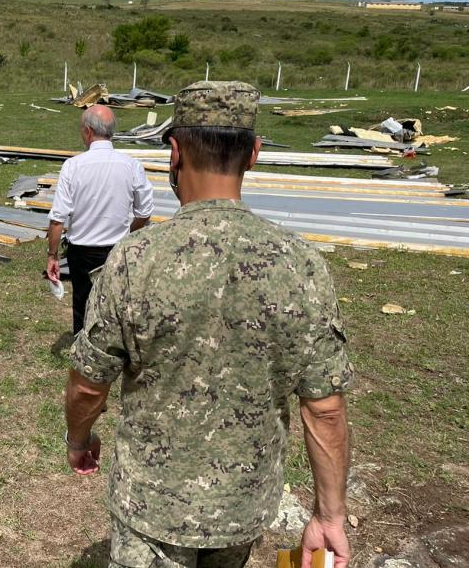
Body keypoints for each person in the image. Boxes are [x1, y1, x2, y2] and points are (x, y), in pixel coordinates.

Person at [64, 81, 354, 568]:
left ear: (174, 152)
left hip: (151, 508)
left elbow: (89, 386)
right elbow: (324, 409)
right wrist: (330, 516)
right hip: (242, 506)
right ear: (255, 153)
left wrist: (78, 439)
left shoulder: (134, 260)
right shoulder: (302, 264)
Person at [46, 105, 154, 336]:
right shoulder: (131, 165)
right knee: (117, 302)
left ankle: (84, 345)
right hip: (118, 249)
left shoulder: (73, 166)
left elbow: (58, 219)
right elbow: (144, 212)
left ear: (87, 131)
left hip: (82, 250)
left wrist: (52, 255)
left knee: (83, 300)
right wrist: (128, 233)